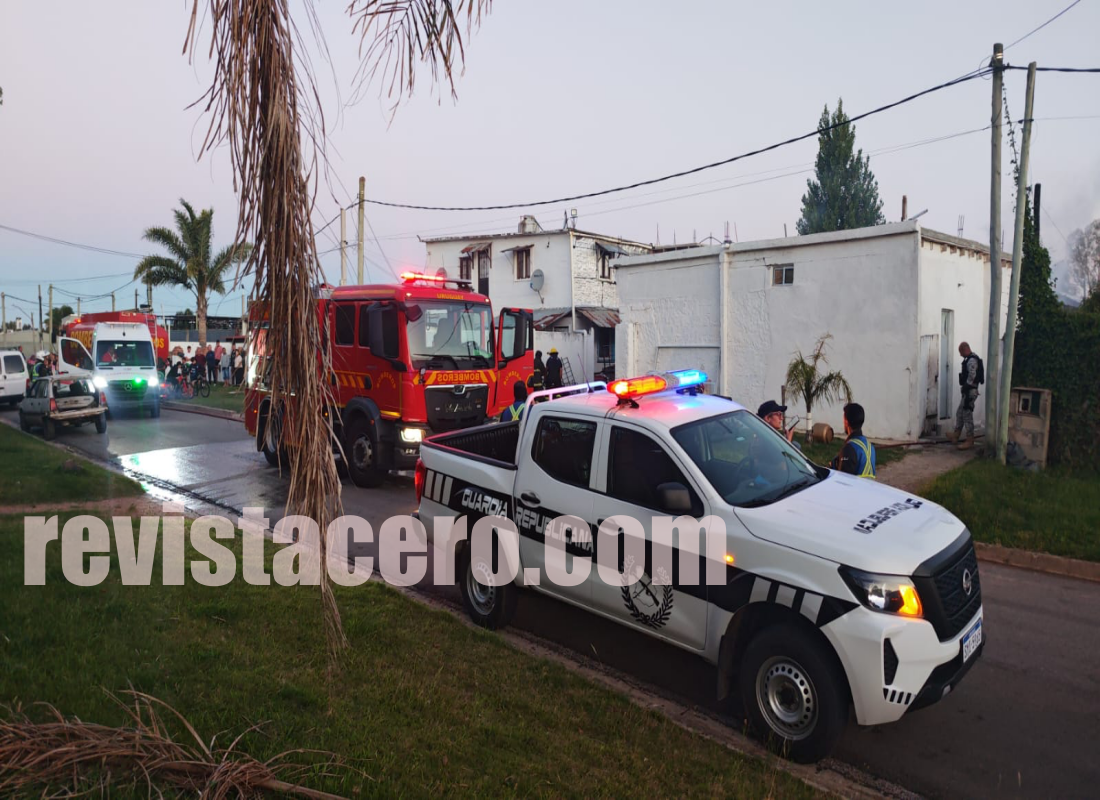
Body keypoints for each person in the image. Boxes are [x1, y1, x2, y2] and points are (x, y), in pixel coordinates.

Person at [949, 342, 983, 451]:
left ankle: (970, 439)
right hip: (968, 391)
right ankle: (956, 435)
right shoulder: (969, 359)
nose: (960, 355)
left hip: (970, 392)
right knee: (960, 413)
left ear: (965, 349)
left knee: (967, 415)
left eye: (960, 352)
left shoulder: (972, 360)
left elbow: (972, 375)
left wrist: (966, 386)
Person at [830, 403, 876, 479]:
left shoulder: (849, 448)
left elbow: (843, 480)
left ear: (846, 421)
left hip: (855, 486)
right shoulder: (870, 447)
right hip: (868, 486)